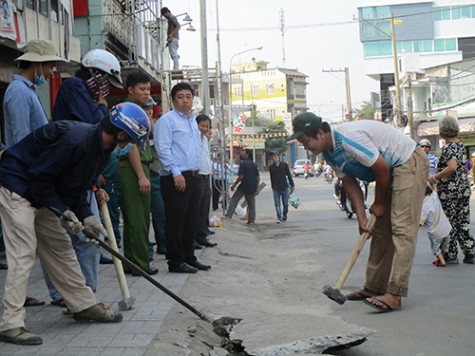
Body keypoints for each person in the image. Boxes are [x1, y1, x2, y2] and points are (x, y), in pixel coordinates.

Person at [0, 102, 149, 345]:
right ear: (121, 133)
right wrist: (63, 211)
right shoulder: (75, 140)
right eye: (131, 139)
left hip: (40, 192)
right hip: (16, 187)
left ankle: (82, 305)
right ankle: (10, 324)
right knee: (23, 253)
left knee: (61, 248)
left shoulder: (103, 149)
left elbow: (77, 186)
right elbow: (39, 178)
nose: (130, 145)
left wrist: (85, 216)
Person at [289, 112, 428, 312]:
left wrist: (378, 203)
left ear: (320, 133)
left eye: (305, 140)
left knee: (402, 228)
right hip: (389, 170)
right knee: (380, 230)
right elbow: (349, 183)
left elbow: (381, 168)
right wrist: (361, 217)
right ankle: (374, 288)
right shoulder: (329, 154)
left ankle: (395, 294)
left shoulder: (348, 139)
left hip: (407, 161)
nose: (305, 146)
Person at [48, 48, 123, 307]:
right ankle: (66, 294)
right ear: (94, 73)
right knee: (66, 239)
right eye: (104, 81)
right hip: (64, 174)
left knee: (88, 237)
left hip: (80, 174)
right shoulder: (75, 88)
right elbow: (96, 125)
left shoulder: (86, 94)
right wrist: (102, 106)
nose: (106, 90)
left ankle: (84, 292)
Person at [2, 38, 67, 308]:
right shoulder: (18, 92)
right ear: (38, 64)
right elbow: (21, 139)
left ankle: (53, 292)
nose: (51, 71)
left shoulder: (28, 90)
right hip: (23, 176)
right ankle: (19, 299)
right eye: (50, 65)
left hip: (31, 174)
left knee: (40, 243)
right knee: (23, 247)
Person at [155, 82, 210, 273]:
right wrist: (175, 172)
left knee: (191, 219)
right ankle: (176, 261)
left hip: (193, 176)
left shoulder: (192, 121)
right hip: (176, 176)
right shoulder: (167, 120)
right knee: (176, 220)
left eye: (188, 96)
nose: (185, 100)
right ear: (172, 100)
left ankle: (189, 257)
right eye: (180, 97)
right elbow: (163, 148)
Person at [118, 71, 157, 275]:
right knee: (138, 218)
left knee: (134, 217)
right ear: (130, 89)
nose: (146, 93)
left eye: (148, 89)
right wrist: (141, 175)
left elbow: (151, 132)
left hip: (137, 167)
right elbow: (131, 146)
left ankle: (131, 262)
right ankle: (141, 264)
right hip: (133, 167)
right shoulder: (129, 111)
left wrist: (149, 114)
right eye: (142, 89)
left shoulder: (138, 110)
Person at [428, 116, 475, 264]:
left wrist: (435, 178)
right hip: (463, 189)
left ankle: (450, 253)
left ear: (443, 131)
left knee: (449, 223)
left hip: (450, 191)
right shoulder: (460, 145)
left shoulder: (448, 147)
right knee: (463, 222)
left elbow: (452, 167)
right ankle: (470, 252)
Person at [145, 98, 167, 255]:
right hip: (145, 171)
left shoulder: (157, 124)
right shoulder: (138, 121)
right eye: (147, 109)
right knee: (142, 215)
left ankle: (163, 243)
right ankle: (148, 247)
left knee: (160, 211)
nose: (150, 112)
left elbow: (155, 133)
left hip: (156, 171)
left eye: (152, 110)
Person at [195, 114, 218, 248]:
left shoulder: (204, 139)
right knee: (196, 210)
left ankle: (202, 235)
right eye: (202, 126)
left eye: (207, 126)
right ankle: (194, 238)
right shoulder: (193, 138)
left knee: (204, 209)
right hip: (197, 176)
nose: (204, 129)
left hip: (205, 176)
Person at [224, 149, 260, 224]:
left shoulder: (243, 164)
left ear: (247, 155)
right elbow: (257, 177)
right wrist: (256, 186)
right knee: (251, 204)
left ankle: (229, 215)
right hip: (252, 187)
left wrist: (234, 185)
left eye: (243, 153)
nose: (241, 154)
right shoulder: (254, 164)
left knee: (234, 200)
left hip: (243, 186)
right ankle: (251, 220)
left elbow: (241, 176)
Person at [420, 184, 451, 267]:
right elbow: (435, 188)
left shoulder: (424, 207)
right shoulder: (433, 196)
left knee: (435, 248)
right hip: (446, 228)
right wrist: (433, 182)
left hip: (435, 232)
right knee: (445, 246)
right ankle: (442, 258)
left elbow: (420, 222)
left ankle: (442, 261)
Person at [268, 150, 294, 223]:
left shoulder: (284, 165)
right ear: (272, 158)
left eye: (276, 155)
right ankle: (279, 217)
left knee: (285, 204)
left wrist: (292, 185)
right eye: (273, 156)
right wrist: (272, 186)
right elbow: (271, 178)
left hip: (284, 187)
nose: (274, 157)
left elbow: (289, 175)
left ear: (278, 156)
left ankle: (284, 215)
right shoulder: (271, 167)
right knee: (277, 204)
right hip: (276, 188)